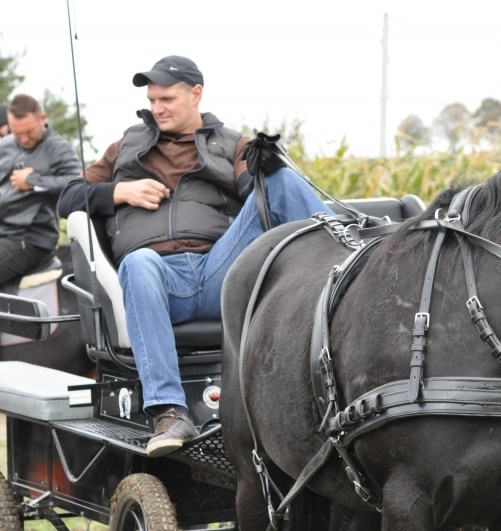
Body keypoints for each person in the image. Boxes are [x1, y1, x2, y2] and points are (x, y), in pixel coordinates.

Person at [57, 55, 333, 457]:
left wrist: (265, 164)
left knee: (277, 177)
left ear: (196, 95)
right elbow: (67, 198)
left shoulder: (230, 143)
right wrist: (119, 192)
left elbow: (260, 191)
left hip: (223, 268)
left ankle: (350, 261)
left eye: (166, 98)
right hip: (157, 279)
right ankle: (170, 412)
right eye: (152, 100)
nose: (157, 108)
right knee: (139, 262)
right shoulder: (125, 146)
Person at [0, 95, 81, 286]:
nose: (23, 139)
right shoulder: (6, 144)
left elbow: (78, 182)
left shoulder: (58, 148)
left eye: (28, 132)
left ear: (42, 119)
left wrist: (33, 181)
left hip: (30, 238)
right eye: (17, 134)